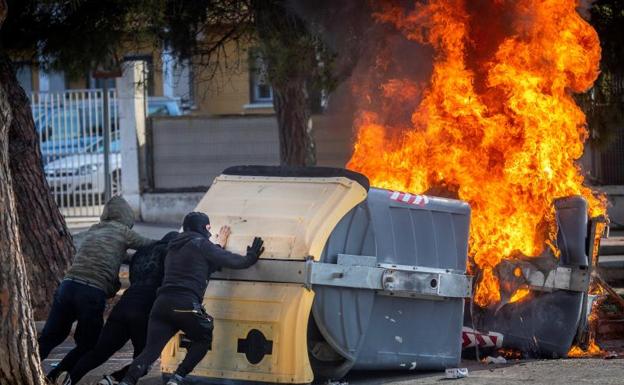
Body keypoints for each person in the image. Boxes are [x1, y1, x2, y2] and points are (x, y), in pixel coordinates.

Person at [118, 212, 265, 385]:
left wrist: (216, 246)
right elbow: (232, 261)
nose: (209, 233)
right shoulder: (201, 243)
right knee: (203, 338)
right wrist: (250, 257)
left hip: (161, 305)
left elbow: (204, 265)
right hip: (186, 304)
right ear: (202, 228)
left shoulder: (173, 245)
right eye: (208, 229)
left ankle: (127, 381)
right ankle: (177, 378)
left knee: (150, 351)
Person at [39, 196, 156, 382]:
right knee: (90, 343)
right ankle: (58, 376)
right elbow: (150, 245)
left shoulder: (94, 229)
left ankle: (26, 367)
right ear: (127, 217)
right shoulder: (124, 232)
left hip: (67, 286)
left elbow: (82, 243)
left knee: (50, 336)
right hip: (92, 293)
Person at [55, 231, 180, 385]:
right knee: (144, 360)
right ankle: (113, 379)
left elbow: (133, 275)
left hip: (124, 304)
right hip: (145, 308)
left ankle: (70, 379)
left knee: (98, 352)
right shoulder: (172, 254)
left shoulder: (141, 253)